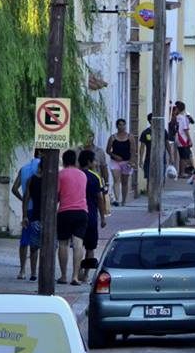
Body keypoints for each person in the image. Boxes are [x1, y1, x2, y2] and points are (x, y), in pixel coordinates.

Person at [56, 149, 88, 285]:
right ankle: (75, 276)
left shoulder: (60, 175)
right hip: (81, 211)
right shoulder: (82, 175)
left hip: (65, 211)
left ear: (63, 160)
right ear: (75, 161)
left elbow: (56, 194)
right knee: (78, 244)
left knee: (63, 244)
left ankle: (63, 275)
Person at [11, 150, 41, 280]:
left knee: (24, 241)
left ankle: (22, 270)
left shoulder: (23, 169)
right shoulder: (43, 167)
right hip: (38, 210)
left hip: (26, 208)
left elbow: (14, 189)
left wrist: (22, 199)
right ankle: (34, 272)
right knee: (35, 243)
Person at [77, 150, 107, 282]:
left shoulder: (76, 175)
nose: (95, 163)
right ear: (89, 162)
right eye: (94, 161)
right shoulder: (95, 177)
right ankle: (85, 274)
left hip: (78, 213)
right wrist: (103, 216)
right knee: (90, 247)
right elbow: (100, 198)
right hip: (92, 216)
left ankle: (76, 271)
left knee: (78, 245)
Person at [20, 154, 44, 282]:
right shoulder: (52, 180)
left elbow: (26, 199)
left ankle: (34, 273)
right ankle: (42, 272)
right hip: (48, 219)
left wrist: (24, 216)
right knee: (47, 247)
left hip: (34, 216)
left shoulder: (32, 179)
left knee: (34, 247)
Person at [105, 119, 136, 206]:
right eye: (120, 125)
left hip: (126, 161)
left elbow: (133, 150)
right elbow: (108, 150)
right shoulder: (113, 137)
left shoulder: (130, 137)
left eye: (123, 125)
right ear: (117, 126)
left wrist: (132, 161)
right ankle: (117, 199)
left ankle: (124, 201)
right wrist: (114, 156)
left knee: (125, 181)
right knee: (116, 179)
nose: (122, 127)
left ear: (125, 126)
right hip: (115, 161)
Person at [175, 101, 195, 176]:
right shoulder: (183, 118)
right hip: (183, 138)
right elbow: (185, 129)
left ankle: (182, 171)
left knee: (183, 156)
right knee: (184, 156)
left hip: (178, 137)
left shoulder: (177, 117)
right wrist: (190, 139)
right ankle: (182, 172)